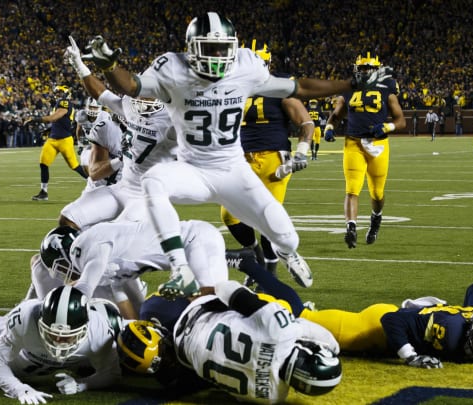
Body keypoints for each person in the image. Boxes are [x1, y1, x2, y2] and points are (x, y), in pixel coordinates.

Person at [82, 12, 392, 298]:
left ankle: (286, 252)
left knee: (288, 238)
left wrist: (350, 84)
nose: (218, 55)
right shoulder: (173, 68)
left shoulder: (246, 65)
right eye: (210, 48)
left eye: (223, 48)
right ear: (191, 48)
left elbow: (298, 87)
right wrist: (109, 65)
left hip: (232, 169)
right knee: (154, 182)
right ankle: (181, 269)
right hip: (192, 168)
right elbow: (132, 86)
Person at [227, 253, 473, 368]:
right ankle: (247, 266)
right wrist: (411, 356)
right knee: (295, 314)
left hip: (403, 318)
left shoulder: (472, 318)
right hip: (373, 330)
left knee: (297, 317)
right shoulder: (452, 332)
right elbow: (391, 320)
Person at [118, 281, 342, 403]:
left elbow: (227, 288)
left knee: (276, 308)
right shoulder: (272, 397)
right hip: (186, 367)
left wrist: (202, 289)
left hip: (188, 316)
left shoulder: (281, 331)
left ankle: (244, 264)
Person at [219, 39, 314, 282]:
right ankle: (255, 255)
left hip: (273, 159)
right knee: (229, 215)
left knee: (267, 218)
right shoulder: (232, 85)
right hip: (240, 159)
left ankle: (268, 275)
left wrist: (302, 150)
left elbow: (305, 122)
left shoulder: (279, 85)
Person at [60, 36, 177, 231]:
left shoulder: (173, 120)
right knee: (68, 218)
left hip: (147, 195)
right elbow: (102, 94)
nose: (140, 98)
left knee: (112, 235)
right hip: (122, 187)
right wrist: (79, 65)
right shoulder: (130, 106)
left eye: (147, 94)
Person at [28, 219, 229, 320]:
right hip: (184, 253)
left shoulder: (88, 245)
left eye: (62, 268)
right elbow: (130, 311)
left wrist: (50, 310)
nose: (65, 275)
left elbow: (83, 291)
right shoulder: (109, 262)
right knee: (158, 314)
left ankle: (242, 262)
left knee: (209, 305)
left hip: (196, 241)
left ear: (66, 254)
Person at [323, 52, 405, 249]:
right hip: (353, 143)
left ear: (376, 70)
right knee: (352, 188)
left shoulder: (387, 88)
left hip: (378, 145)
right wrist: (329, 127)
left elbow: (400, 120)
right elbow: (336, 114)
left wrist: (387, 127)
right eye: (362, 69)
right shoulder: (349, 89)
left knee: (377, 193)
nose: (365, 73)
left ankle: (376, 218)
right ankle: (351, 227)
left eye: (368, 69)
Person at [28, 85, 87, 201]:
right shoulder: (57, 104)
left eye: (60, 92)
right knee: (43, 163)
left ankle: (95, 184)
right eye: (57, 92)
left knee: (74, 166)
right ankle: (43, 192)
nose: (57, 94)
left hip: (65, 140)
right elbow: (59, 122)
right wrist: (49, 130)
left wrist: (35, 120)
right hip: (52, 139)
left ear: (66, 93)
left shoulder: (65, 103)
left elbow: (55, 117)